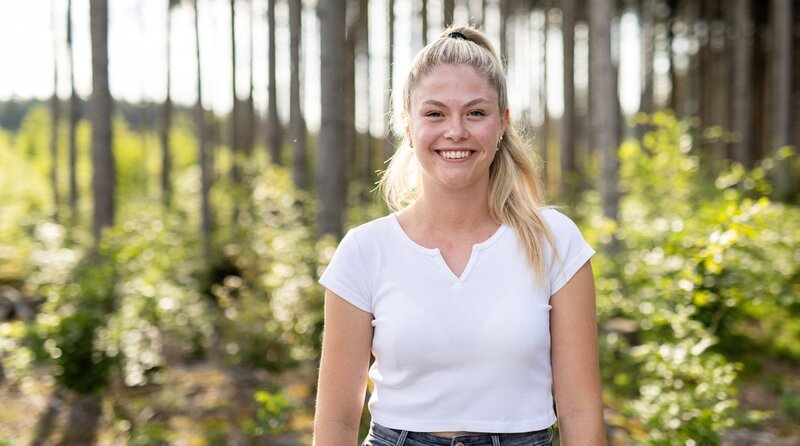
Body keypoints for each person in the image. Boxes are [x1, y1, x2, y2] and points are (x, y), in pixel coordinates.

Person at [313, 25, 606, 446]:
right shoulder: (364, 251)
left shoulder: (554, 240)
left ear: (502, 123)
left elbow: (580, 411)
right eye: (434, 113)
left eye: (475, 112)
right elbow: (338, 423)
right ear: (408, 127)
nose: (455, 131)